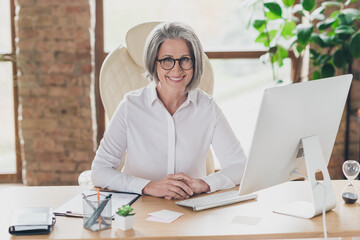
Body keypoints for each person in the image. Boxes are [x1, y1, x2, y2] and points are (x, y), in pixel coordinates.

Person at [91, 22, 247, 200]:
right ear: (153, 63)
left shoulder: (207, 107)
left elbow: (240, 166)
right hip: (140, 208)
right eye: (167, 60)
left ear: (195, 63)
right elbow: (100, 170)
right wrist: (148, 186)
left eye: (185, 59)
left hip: (191, 208)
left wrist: (205, 184)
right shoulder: (130, 106)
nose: (177, 69)